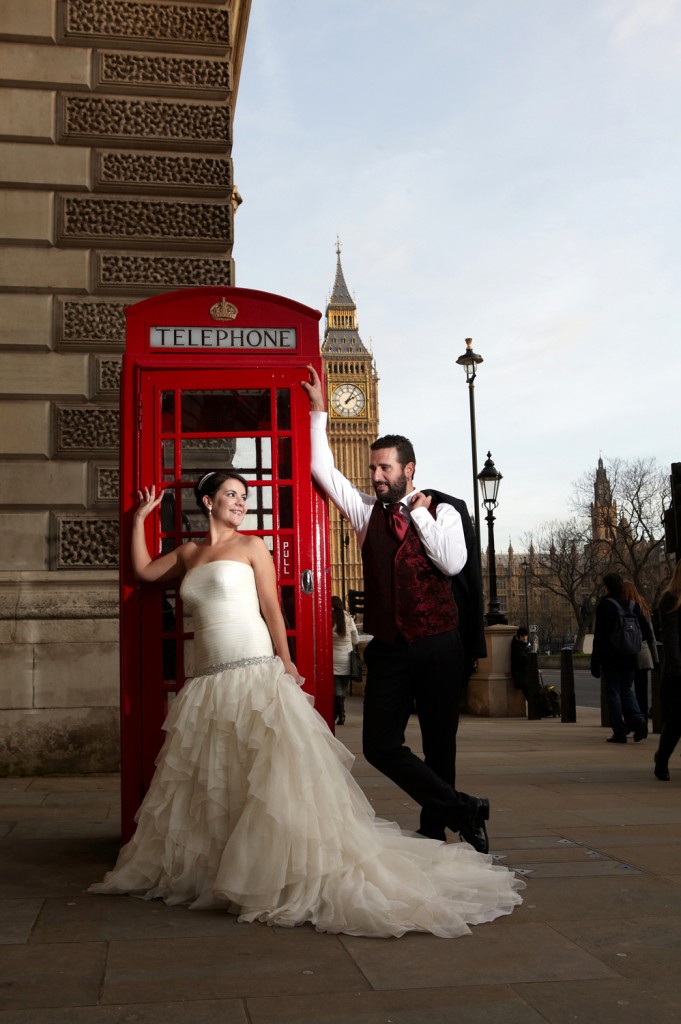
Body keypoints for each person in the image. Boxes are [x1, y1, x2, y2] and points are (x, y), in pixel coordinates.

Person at [89, 471, 523, 937]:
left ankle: (273, 869)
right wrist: (139, 519)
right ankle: (226, 866)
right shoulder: (189, 554)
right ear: (207, 501)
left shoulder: (253, 547)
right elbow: (143, 572)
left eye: (244, 497)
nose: (239, 503)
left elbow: (273, 610)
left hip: (253, 668)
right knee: (221, 777)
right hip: (208, 681)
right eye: (231, 496)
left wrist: (288, 664)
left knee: (270, 779)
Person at [302, 366, 491, 852]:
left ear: (409, 469)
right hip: (389, 647)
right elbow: (323, 471)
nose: (376, 476)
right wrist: (319, 412)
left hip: (438, 644)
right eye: (373, 468)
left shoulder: (443, 510)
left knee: (439, 741)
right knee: (379, 745)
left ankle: (437, 829)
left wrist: (419, 513)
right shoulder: (366, 512)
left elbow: (452, 561)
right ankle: (464, 808)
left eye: (385, 468)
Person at [590, 572, 647, 744]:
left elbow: (599, 637)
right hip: (630, 656)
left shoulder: (605, 606)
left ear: (607, 587)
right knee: (627, 691)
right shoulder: (633, 605)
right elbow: (644, 631)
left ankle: (620, 731)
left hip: (611, 658)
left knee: (613, 694)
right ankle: (639, 719)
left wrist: (595, 661)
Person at [653, 562, 681, 781]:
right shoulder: (670, 600)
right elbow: (671, 639)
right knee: (677, 721)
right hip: (678, 671)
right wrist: (677, 667)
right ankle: (662, 758)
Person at [621, 580, 658, 721]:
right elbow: (651, 635)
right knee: (641, 690)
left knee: (626, 689)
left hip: (627, 653)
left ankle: (631, 719)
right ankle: (641, 719)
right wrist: (655, 658)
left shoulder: (622, 607)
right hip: (642, 652)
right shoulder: (643, 607)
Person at [331, 595, 359, 725]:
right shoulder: (348, 618)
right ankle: (340, 712)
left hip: (334, 658)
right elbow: (356, 639)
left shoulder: (330, 619)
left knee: (337, 688)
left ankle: (339, 714)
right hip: (347, 659)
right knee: (342, 687)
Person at [510, 627, 532, 698]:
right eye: (522, 636)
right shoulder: (517, 647)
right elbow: (524, 659)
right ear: (519, 637)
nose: (524, 638)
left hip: (525, 674)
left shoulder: (525, 645)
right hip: (521, 675)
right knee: (530, 695)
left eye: (525, 636)